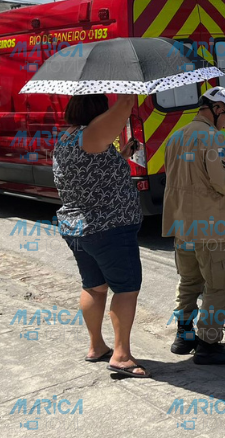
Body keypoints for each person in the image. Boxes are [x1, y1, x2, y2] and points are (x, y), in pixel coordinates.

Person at [53, 94, 149, 378]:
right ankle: (121, 356)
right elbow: (121, 112)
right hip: (108, 228)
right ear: (97, 112)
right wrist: (130, 92)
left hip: (78, 228)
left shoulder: (66, 139)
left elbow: (91, 173)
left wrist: (121, 157)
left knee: (94, 287)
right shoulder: (90, 135)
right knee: (126, 288)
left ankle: (97, 346)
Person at [162, 86, 225, 365]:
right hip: (211, 228)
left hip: (183, 227)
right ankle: (208, 343)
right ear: (216, 109)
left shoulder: (176, 138)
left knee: (189, 282)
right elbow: (224, 182)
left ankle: (184, 338)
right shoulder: (213, 139)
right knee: (222, 284)